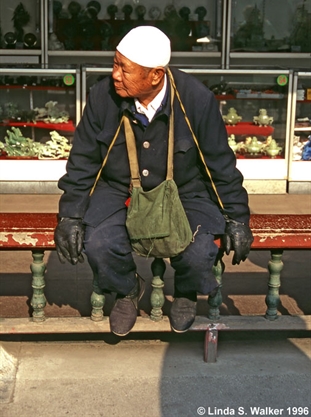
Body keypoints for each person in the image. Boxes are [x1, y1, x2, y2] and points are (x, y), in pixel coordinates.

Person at [54, 26, 253, 336]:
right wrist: (70, 215)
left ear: (156, 76)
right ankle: (128, 289)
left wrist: (238, 218)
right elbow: (83, 162)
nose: (114, 74)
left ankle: (186, 292)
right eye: (115, 63)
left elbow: (220, 164)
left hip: (186, 191)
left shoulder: (197, 99)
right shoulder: (101, 96)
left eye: (124, 68)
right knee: (99, 244)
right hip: (119, 189)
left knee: (201, 250)